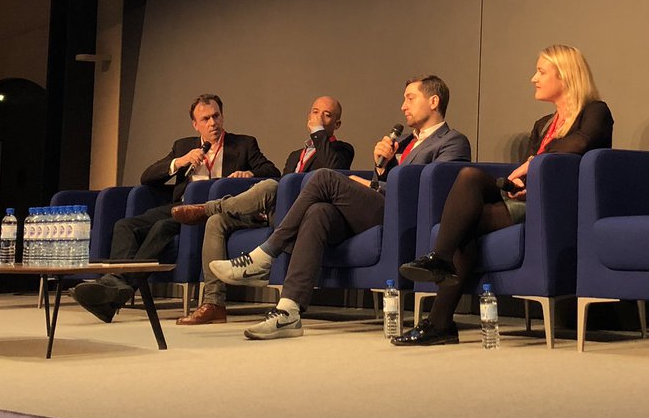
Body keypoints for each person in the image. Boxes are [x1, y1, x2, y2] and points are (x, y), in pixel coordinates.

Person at [209, 75, 471, 339]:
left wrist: (373, 186)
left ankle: (265, 255)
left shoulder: (452, 141)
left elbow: (434, 192)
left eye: (410, 98)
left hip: (406, 216)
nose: (403, 106)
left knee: (324, 176)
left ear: (434, 101)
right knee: (318, 212)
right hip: (382, 209)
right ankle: (289, 311)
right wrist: (382, 168)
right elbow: (392, 180)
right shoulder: (401, 144)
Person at [393, 45, 612, 346]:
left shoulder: (595, 111)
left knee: (464, 223)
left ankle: (440, 307)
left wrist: (535, 163)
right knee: (468, 183)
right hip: (527, 197)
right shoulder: (544, 124)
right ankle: (439, 308)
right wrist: (524, 178)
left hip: (558, 206)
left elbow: (581, 143)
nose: (533, 78)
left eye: (541, 71)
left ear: (565, 76)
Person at [72, 94, 280, 323]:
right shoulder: (183, 146)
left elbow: (272, 173)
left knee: (163, 227)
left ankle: (113, 289)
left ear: (222, 116)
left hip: (213, 209)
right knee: (125, 225)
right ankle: (116, 287)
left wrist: (249, 174)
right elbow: (147, 177)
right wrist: (178, 162)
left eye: (216, 116)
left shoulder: (243, 144)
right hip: (182, 204)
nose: (213, 123)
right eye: (206, 119)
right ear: (195, 124)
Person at [170, 96, 352, 326]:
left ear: (336, 124)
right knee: (216, 222)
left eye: (326, 114)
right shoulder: (296, 155)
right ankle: (214, 303)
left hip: (306, 217)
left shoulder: (342, 150)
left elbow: (331, 172)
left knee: (270, 185)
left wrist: (318, 133)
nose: (319, 117)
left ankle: (207, 207)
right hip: (275, 214)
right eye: (315, 112)